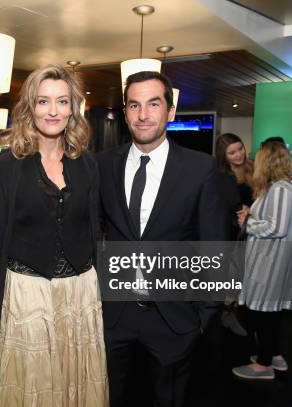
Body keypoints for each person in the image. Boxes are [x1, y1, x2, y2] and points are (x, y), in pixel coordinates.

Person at [97, 70, 228, 407]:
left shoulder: (200, 169)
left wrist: (202, 319)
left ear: (170, 111)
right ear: (125, 112)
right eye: (134, 105)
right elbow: (92, 232)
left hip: (174, 319)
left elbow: (214, 245)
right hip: (114, 316)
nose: (143, 115)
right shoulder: (103, 165)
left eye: (153, 104)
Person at [0, 65, 108, 407]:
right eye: (43, 102)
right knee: (33, 387)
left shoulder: (86, 163)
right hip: (28, 295)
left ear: (73, 109)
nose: (53, 111)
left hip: (79, 293)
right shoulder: (7, 165)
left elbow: (94, 228)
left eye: (62, 101)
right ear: (29, 107)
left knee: (77, 384)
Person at [232, 142, 292, 380]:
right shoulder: (285, 187)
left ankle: (264, 365)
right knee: (270, 312)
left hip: (271, 260)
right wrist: (253, 214)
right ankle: (274, 355)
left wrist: (248, 223)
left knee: (262, 312)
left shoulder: (281, 189)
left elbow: (277, 227)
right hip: (274, 258)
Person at [214, 133, 254, 336]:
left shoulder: (252, 168)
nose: (239, 154)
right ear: (223, 156)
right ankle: (225, 314)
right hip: (231, 233)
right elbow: (228, 206)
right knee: (232, 276)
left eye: (240, 149)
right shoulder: (221, 175)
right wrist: (243, 210)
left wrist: (253, 209)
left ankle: (230, 312)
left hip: (252, 229)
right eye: (232, 152)